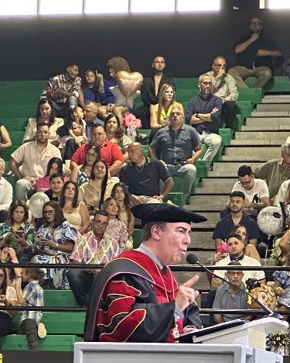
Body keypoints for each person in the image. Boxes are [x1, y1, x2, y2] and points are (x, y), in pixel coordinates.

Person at [85, 203, 205, 342]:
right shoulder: (126, 272)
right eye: (181, 231)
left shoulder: (164, 274)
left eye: (188, 233)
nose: (187, 240)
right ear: (156, 232)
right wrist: (174, 309)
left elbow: (187, 312)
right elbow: (122, 326)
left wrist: (190, 329)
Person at [67, 212, 122, 307]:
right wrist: (90, 269)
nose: (101, 225)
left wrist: (104, 271)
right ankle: (85, 304)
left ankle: (102, 306)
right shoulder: (82, 239)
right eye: (98, 222)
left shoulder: (113, 243)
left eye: (104, 223)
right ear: (93, 222)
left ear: (107, 225)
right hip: (87, 276)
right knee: (73, 273)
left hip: (104, 277)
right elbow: (75, 262)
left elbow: (116, 265)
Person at [150, 104, 202, 198]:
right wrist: (157, 161)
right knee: (156, 170)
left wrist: (193, 160)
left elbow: (199, 149)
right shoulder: (161, 132)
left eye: (178, 114)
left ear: (183, 117)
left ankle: (184, 196)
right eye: (173, 114)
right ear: (169, 117)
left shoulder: (191, 131)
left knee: (191, 169)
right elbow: (152, 148)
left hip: (183, 165)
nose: (175, 116)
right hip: (166, 165)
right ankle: (162, 197)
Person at [9, 123, 62, 201]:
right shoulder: (26, 147)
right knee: (20, 184)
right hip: (29, 182)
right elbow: (12, 162)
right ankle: (22, 210)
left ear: (49, 134)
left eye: (45, 132)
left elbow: (58, 169)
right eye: (40, 132)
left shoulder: (54, 151)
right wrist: (21, 176)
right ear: (36, 133)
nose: (42, 134)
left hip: (46, 183)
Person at [230, 15, 281, 88]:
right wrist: (251, 40)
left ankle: (253, 91)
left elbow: (278, 53)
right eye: (252, 23)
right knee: (231, 72)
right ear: (249, 26)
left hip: (261, 68)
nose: (254, 25)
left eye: (257, 23)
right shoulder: (244, 38)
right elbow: (237, 50)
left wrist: (267, 53)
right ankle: (247, 92)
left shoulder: (267, 40)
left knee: (267, 73)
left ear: (261, 26)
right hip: (244, 68)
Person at [184, 74, 224, 163]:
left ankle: (204, 163)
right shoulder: (192, 101)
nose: (208, 86)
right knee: (186, 141)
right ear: (199, 85)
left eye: (210, 83)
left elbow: (215, 117)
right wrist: (208, 115)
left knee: (217, 141)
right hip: (196, 133)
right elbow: (188, 119)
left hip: (211, 133)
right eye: (205, 83)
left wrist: (197, 115)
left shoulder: (217, 100)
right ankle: (195, 162)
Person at [139, 55, 175, 127]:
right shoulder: (146, 80)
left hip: (164, 105)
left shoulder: (169, 79)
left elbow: (171, 94)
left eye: (162, 62)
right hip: (149, 106)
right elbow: (144, 96)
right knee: (140, 112)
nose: (160, 64)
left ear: (164, 65)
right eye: (157, 62)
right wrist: (151, 106)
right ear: (153, 64)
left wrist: (160, 105)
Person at [208, 56, 239, 130]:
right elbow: (205, 91)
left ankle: (229, 129)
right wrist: (217, 78)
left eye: (224, 66)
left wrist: (223, 100)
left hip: (223, 102)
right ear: (213, 66)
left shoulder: (229, 78)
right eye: (219, 65)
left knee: (231, 105)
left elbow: (234, 95)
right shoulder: (206, 76)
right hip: (210, 102)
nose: (222, 68)